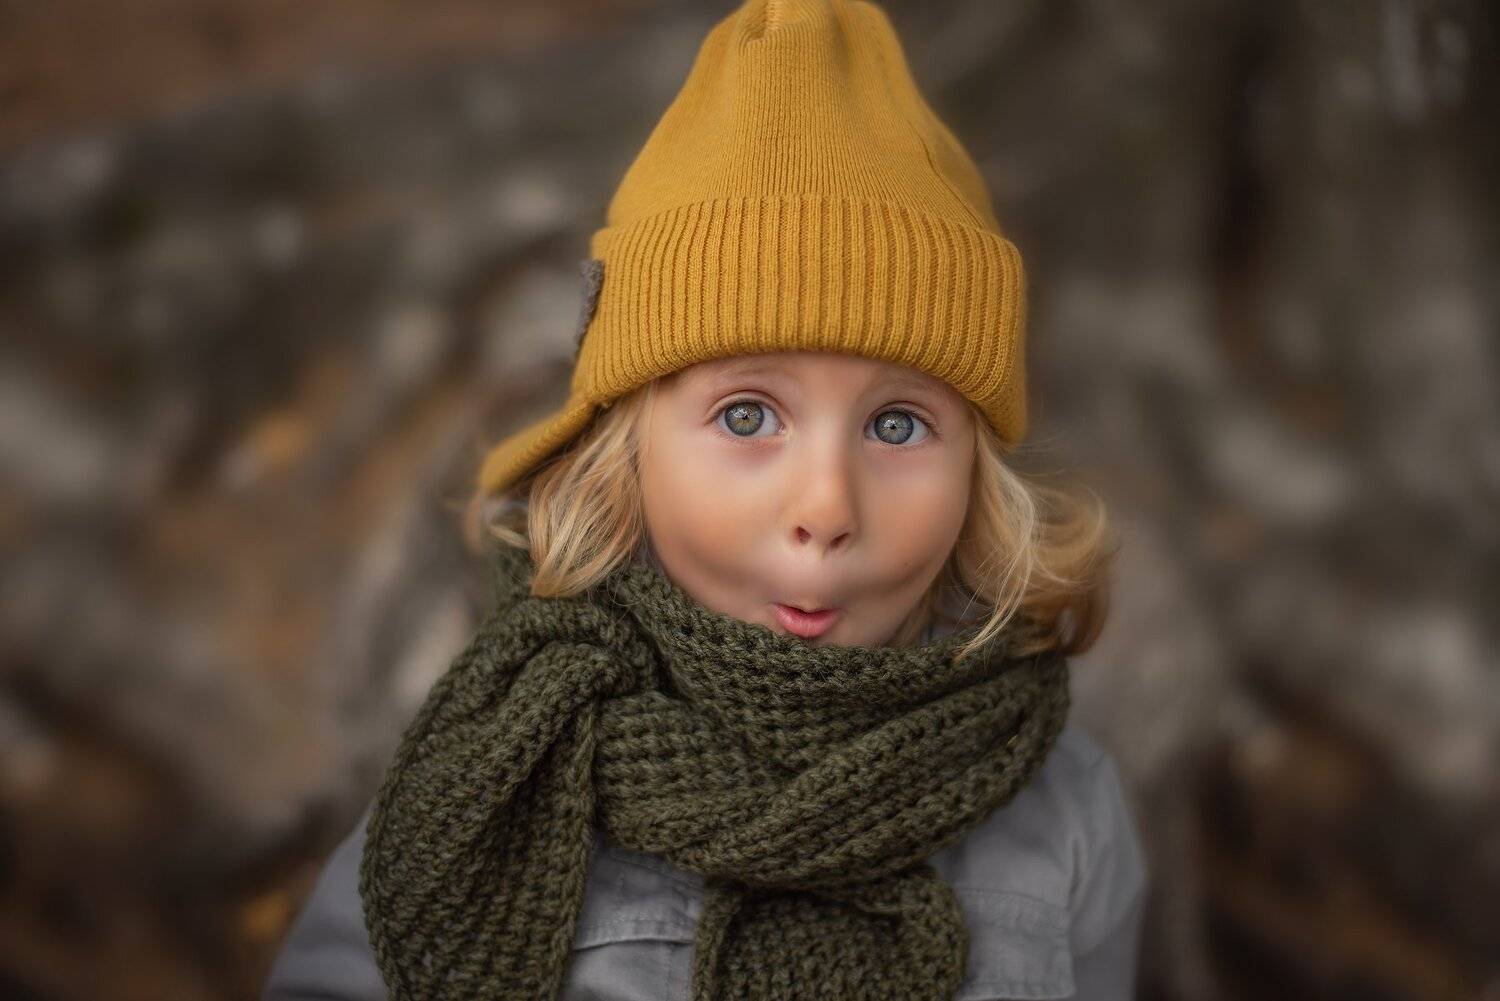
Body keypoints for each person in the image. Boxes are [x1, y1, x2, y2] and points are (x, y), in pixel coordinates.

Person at [263, 0, 1149, 998]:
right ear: (627, 454)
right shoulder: (500, 764)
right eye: (746, 415)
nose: (826, 505)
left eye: (898, 425)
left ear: (978, 479)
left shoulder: (1064, 805)